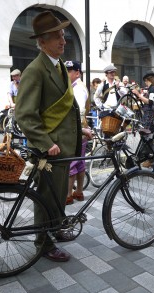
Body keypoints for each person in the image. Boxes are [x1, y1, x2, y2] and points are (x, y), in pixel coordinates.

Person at [15, 11, 82, 262]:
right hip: (49, 148)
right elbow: (25, 114)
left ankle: (54, 228)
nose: (63, 41)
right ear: (42, 42)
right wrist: (46, 143)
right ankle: (43, 243)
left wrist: (81, 128)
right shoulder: (35, 70)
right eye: (56, 37)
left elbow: (66, 106)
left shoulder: (58, 65)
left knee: (56, 195)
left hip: (63, 145)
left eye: (63, 35)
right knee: (45, 197)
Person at [64, 61, 93, 205]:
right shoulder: (76, 87)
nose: (67, 73)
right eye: (66, 70)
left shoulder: (78, 89)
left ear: (77, 73)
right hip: (81, 130)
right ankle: (79, 192)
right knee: (80, 162)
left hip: (78, 130)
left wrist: (78, 129)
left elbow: (79, 112)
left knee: (72, 163)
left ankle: (68, 195)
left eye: (70, 70)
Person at [132, 71, 154, 168]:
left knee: (146, 137)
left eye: (146, 82)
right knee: (149, 137)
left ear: (148, 80)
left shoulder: (152, 88)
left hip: (149, 117)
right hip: (151, 116)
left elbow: (150, 102)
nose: (145, 84)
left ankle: (148, 159)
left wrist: (138, 95)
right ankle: (149, 159)